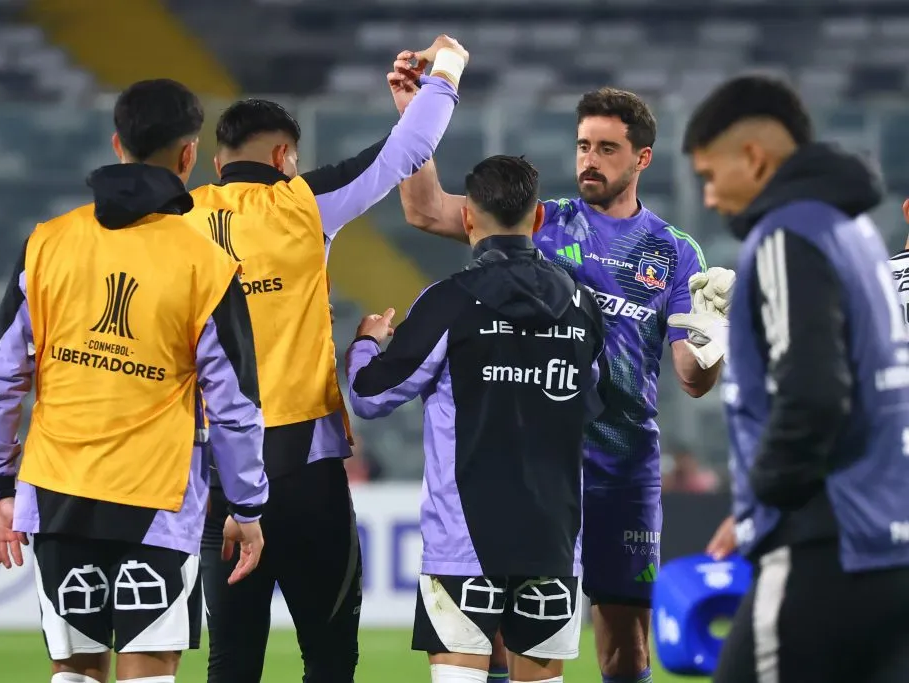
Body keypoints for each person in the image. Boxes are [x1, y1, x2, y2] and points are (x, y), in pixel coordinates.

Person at [389, 64, 729, 683]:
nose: (589, 160)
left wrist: (712, 342)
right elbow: (427, 210)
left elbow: (692, 378)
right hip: (540, 471)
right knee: (500, 642)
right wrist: (416, 119)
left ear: (642, 158)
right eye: (582, 146)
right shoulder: (542, 222)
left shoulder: (676, 253)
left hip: (623, 471)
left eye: (607, 148)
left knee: (625, 649)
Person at [190, 35, 469, 683]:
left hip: (217, 473)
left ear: (211, 159)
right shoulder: (302, 203)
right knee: (330, 657)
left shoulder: (179, 219)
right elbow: (412, 149)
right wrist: (446, 65)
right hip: (306, 468)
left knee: (230, 660)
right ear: (285, 155)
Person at [0, 79, 267, 683]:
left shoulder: (47, 242)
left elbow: (1, 376)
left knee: (74, 674)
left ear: (117, 142)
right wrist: (248, 504)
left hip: (58, 493)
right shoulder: (206, 263)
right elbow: (233, 404)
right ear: (189, 156)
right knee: (149, 672)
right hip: (155, 497)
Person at [681, 74, 909, 683]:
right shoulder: (856, 233)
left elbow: (812, 395)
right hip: (887, 540)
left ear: (753, 158)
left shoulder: (786, 233)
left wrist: (766, 499)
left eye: (709, 175)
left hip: (823, 543)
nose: (707, 197)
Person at [347, 155, 607, 683]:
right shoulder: (583, 305)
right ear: (537, 220)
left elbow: (370, 395)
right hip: (553, 535)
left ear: (467, 218)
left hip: (465, 542)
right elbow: (593, 400)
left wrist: (366, 345)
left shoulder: (449, 300)